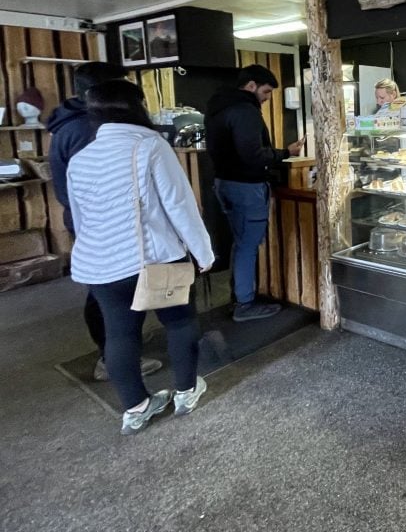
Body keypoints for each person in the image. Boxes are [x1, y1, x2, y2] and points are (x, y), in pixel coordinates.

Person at [66, 80, 214, 435]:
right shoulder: (149, 145)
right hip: (153, 256)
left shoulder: (81, 158)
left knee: (119, 334)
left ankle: (136, 407)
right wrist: (203, 252)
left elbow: (79, 217)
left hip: (99, 264)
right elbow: (179, 205)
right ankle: (186, 391)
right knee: (179, 322)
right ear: (137, 107)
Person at [47, 61, 163, 382]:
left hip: (87, 223)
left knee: (107, 292)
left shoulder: (70, 123)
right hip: (106, 227)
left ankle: (116, 344)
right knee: (109, 295)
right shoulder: (88, 130)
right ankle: (110, 355)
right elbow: (109, 189)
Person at [205, 64, 303, 322]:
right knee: (248, 245)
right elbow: (253, 155)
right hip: (246, 187)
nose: (268, 98)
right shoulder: (244, 110)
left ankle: (238, 296)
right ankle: (245, 304)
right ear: (251, 86)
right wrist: (285, 153)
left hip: (224, 183)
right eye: (267, 91)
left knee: (240, 242)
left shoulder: (218, 107)